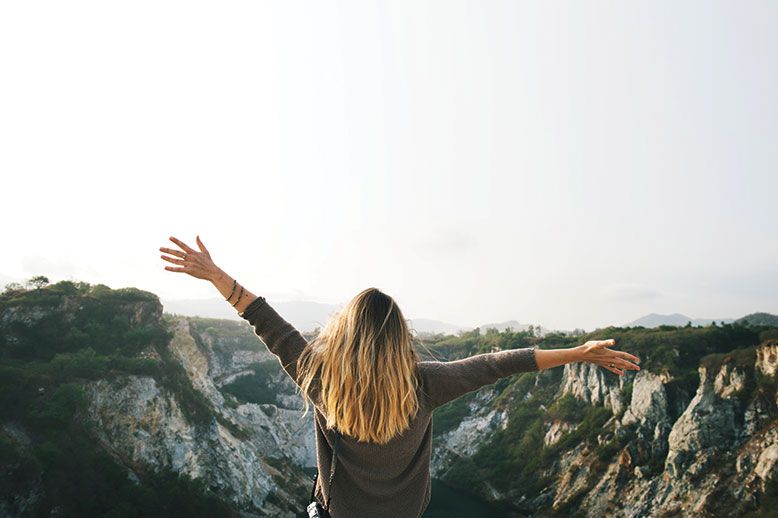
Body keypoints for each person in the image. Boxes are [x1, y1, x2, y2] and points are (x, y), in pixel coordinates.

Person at [160, 235, 641, 518]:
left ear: (343, 336)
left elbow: (263, 318)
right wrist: (579, 353)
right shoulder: (425, 384)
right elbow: (501, 362)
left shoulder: (321, 379)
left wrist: (216, 275)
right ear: (400, 338)